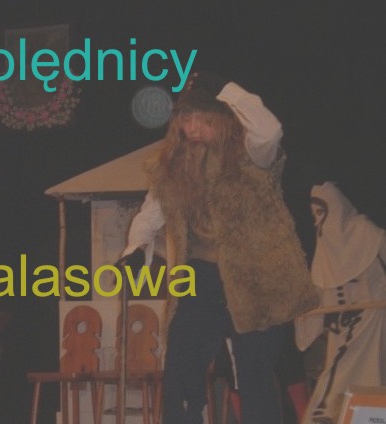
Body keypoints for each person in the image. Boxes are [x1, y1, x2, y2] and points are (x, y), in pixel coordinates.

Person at [117, 72, 319, 423]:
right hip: (202, 276)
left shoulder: (252, 155)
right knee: (181, 362)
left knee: (253, 375)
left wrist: (227, 90)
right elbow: (151, 213)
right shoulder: (174, 166)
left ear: (222, 120)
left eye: (203, 119)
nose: (193, 128)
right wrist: (135, 248)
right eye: (186, 119)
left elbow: (270, 130)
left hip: (256, 278)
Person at [295, 181, 386, 424]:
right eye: (314, 213)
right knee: (337, 374)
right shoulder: (324, 247)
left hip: (373, 325)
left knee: (366, 376)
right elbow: (319, 294)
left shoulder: (366, 232)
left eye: (321, 211)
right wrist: (305, 318)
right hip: (342, 330)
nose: (318, 219)